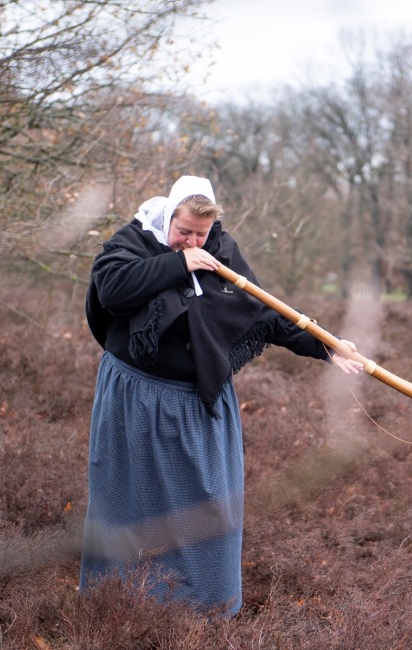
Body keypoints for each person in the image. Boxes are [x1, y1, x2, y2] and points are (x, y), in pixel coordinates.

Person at [80, 175, 361, 617]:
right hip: (136, 401)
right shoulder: (134, 239)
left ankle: (205, 610)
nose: (193, 241)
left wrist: (325, 344)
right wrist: (180, 263)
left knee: (208, 511)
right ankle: (119, 605)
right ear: (169, 216)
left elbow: (263, 310)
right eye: (184, 231)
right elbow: (112, 289)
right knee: (131, 506)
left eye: (201, 234)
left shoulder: (223, 250)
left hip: (199, 404)